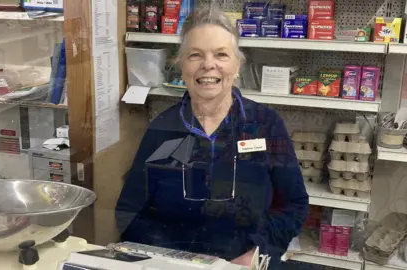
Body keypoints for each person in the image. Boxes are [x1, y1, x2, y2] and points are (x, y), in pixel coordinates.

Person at [115, 8, 309, 268]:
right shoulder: (163, 130)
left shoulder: (265, 125)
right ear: (181, 66)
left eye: (221, 54)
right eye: (195, 55)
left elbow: (293, 204)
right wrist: (172, 261)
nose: (208, 64)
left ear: (237, 65)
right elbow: (130, 210)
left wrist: (257, 253)